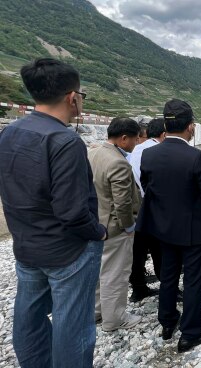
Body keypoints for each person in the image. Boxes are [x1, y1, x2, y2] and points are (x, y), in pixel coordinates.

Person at [0, 58, 107, 367]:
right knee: (73, 327)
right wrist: (97, 232)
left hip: (26, 246)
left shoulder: (9, 134)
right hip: (67, 252)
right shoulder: (64, 141)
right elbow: (72, 211)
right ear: (72, 97)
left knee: (28, 317)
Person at [136, 99, 201, 353]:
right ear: (191, 127)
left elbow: (147, 186)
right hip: (194, 230)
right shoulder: (199, 158)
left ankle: (167, 323)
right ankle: (190, 333)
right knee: (194, 280)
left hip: (162, 228)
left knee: (168, 276)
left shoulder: (149, 154)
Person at [89, 117, 142, 332]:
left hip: (96, 223)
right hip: (114, 228)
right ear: (123, 138)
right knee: (116, 274)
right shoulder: (118, 162)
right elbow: (122, 202)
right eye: (135, 139)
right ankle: (115, 319)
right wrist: (128, 226)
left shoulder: (92, 153)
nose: (136, 144)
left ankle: (97, 312)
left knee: (100, 273)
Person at [128, 118, 166, 302]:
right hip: (151, 206)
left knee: (138, 251)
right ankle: (167, 288)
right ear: (163, 134)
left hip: (134, 207)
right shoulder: (157, 152)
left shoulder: (135, 150)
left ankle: (138, 288)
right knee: (159, 250)